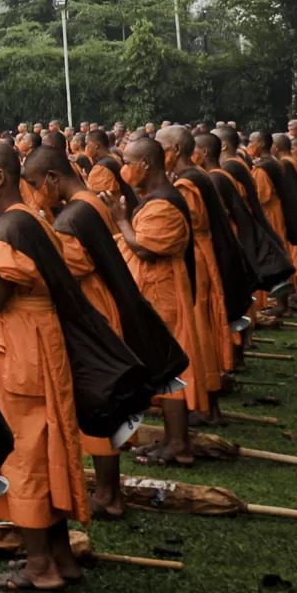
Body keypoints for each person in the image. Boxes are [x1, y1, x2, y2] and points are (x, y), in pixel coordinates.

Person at [0, 143, 87, 591]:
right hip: (36, 342)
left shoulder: (8, 228)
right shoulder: (29, 219)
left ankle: (39, 566)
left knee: (24, 453)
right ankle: (61, 557)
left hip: (18, 349)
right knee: (42, 446)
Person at [114, 136, 218, 466]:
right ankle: (173, 440)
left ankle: (178, 445)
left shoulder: (165, 202)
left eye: (128, 163)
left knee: (167, 364)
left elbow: (144, 247)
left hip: (163, 292)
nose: (124, 170)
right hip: (155, 288)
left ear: (144, 164)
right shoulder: (154, 198)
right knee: (161, 365)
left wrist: (119, 220)